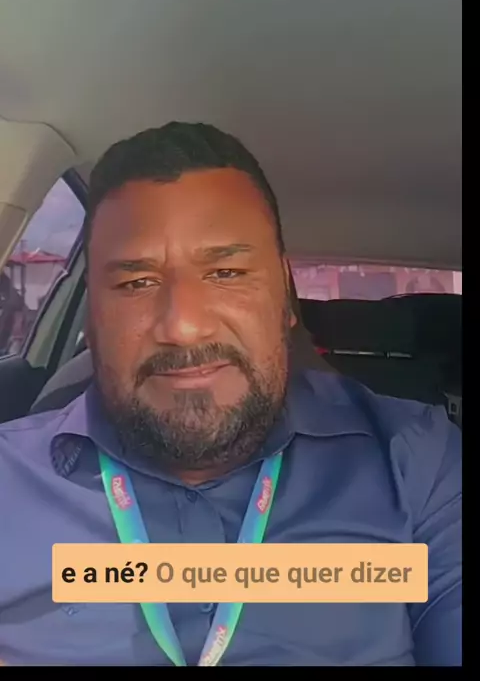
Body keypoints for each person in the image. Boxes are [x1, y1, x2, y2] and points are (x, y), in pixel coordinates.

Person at [0, 123, 461, 666]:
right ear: (91, 319)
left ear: (285, 296)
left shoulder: (416, 462)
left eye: (226, 272)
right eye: (136, 283)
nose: (183, 327)